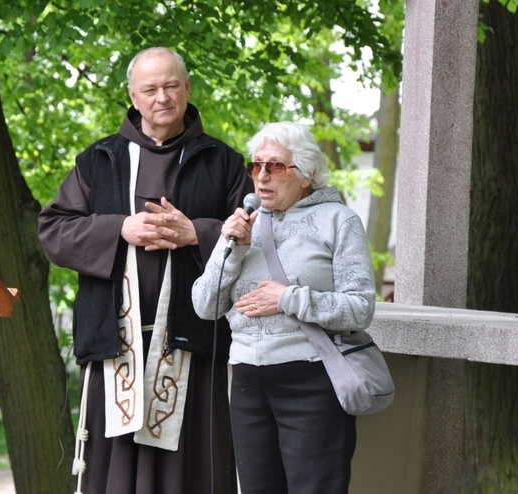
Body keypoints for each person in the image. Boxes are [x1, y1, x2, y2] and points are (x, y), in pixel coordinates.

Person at [38, 47, 252, 494]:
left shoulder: (224, 162)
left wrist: (197, 232)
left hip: (193, 346)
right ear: (132, 97)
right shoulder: (99, 160)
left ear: (188, 88)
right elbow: (54, 229)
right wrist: (121, 228)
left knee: (189, 475)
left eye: (172, 86)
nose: (162, 98)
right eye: (150, 89)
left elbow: (259, 236)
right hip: (116, 345)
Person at [191, 121, 376, 494]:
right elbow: (205, 306)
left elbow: (360, 308)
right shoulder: (244, 226)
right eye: (255, 165)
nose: (261, 176)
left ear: (306, 174)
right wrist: (232, 250)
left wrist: (287, 298)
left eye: (274, 166)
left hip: (311, 381)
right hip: (247, 381)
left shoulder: (339, 221)